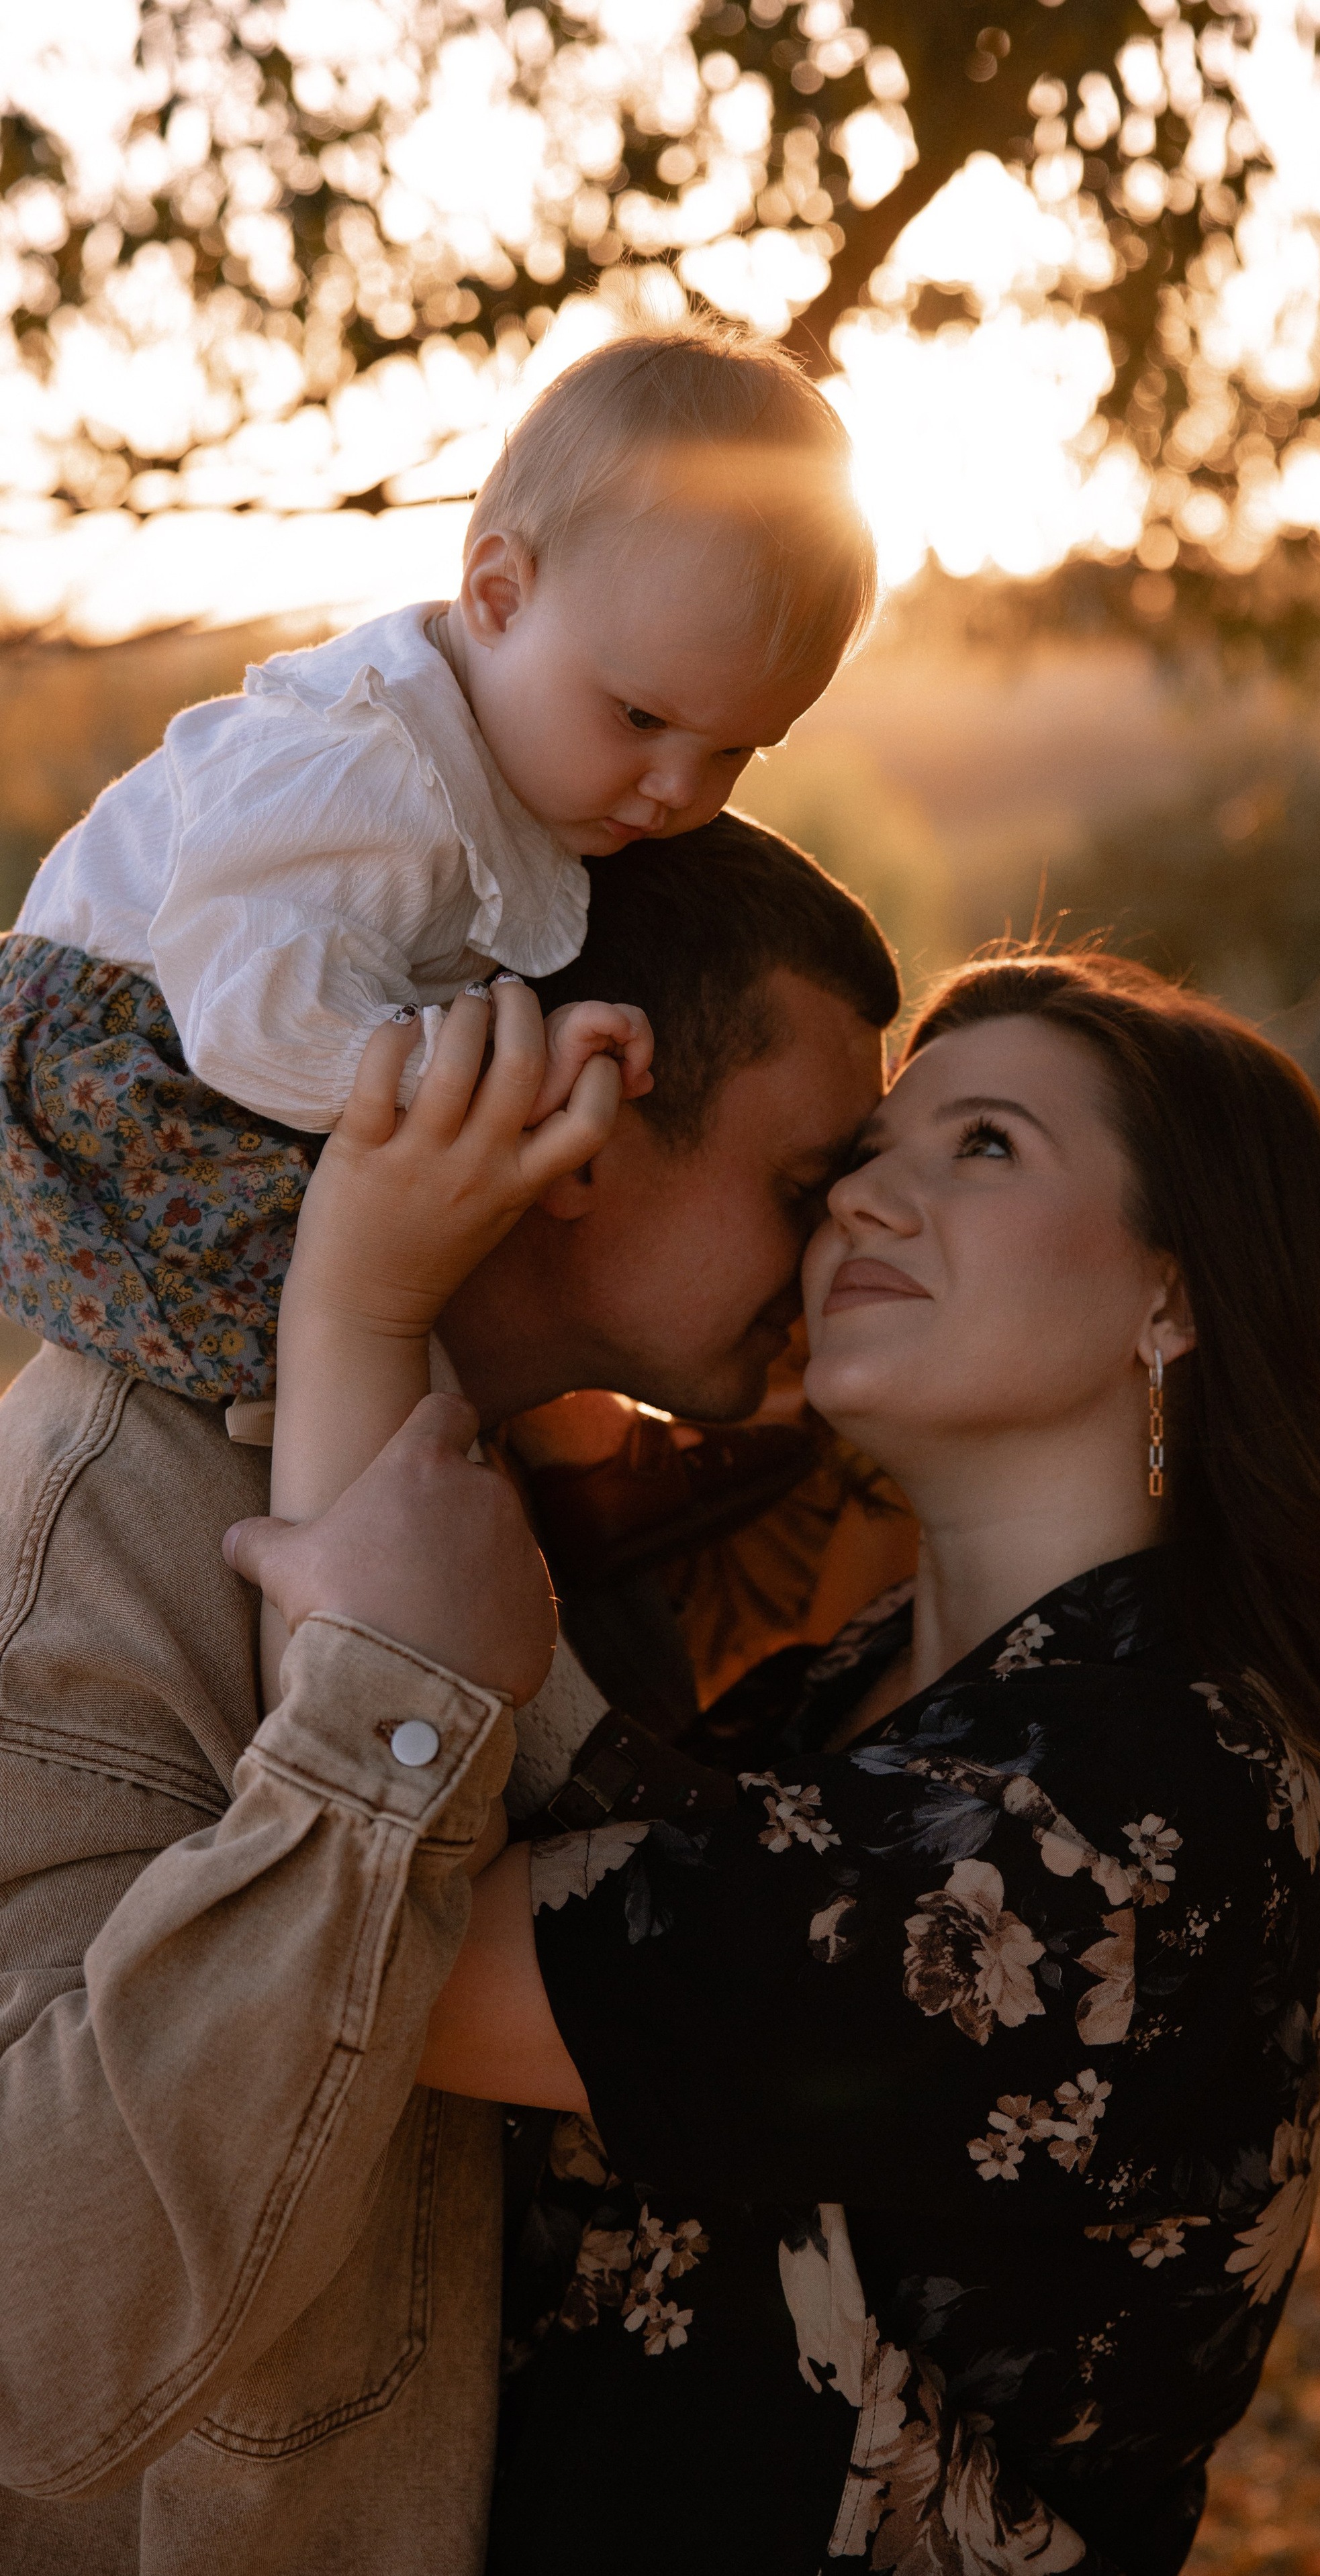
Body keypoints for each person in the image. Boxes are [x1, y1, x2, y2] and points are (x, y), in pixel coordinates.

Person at [237, 949, 1320, 2575]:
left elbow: (372, 1968)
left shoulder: (1123, 1803)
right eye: (858, 1159)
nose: (869, 1202)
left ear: (1171, 1293)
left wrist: (361, 1297)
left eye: (987, 1145)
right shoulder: (852, 1684)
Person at [0, 820, 897, 2576]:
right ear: (579, 1123)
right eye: (800, 1186)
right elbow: (36, 2325)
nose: (824, 1253)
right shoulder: (108, 1536)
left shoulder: (548, 1475)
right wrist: (387, 1723)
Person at [0, 325, 874, 1407]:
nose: (677, 789)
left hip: (218, 1053)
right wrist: (480, 1083)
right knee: (352, 1340)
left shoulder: (528, 760)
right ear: (499, 596)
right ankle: (328, 1540)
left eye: (736, 750)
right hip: (124, 1058)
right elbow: (250, 1007)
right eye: (643, 716)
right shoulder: (380, 773)